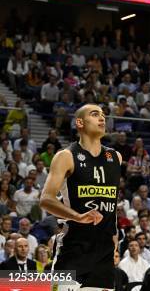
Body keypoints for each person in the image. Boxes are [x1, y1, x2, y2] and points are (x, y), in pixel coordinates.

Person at [40, 104, 122, 289]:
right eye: (95, 114)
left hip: (104, 254)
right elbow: (46, 199)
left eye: (103, 115)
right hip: (73, 249)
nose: (102, 118)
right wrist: (77, 216)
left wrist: (114, 235)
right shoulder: (66, 156)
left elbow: (111, 201)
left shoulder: (116, 157)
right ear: (79, 123)